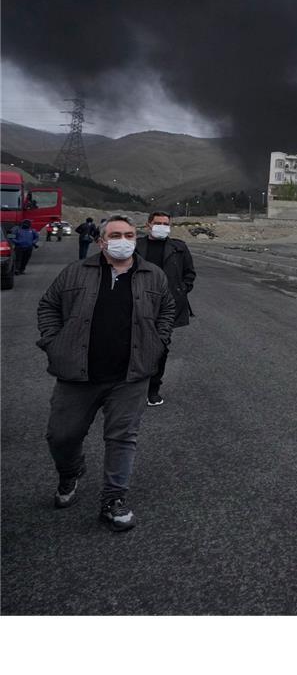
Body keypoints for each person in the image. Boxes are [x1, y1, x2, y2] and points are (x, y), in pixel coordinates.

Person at [36, 215, 176, 532]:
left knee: (122, 438)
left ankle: (113, 500)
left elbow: (167, 308)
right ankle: (70, 471)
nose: (123, 241)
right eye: (115, 235)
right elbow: (48, 305)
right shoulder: (75, 272)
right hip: (78, 374)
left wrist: (158, 341)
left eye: (129, 235)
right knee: (62, 436)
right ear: (101, 242)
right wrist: (54, 342)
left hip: (130, 375)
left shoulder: (153, 276)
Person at [135, 211, 196, 406]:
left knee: (160, 346)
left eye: (165, 223)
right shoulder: (136, 245)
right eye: (158, 223)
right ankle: (131, 386)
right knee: (134, 344)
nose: (162, 226)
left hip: (167, 307)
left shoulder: (179, 248)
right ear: (148, 225)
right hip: (137, 302)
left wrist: (181, 290)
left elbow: (189, 273)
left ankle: (153, 388)